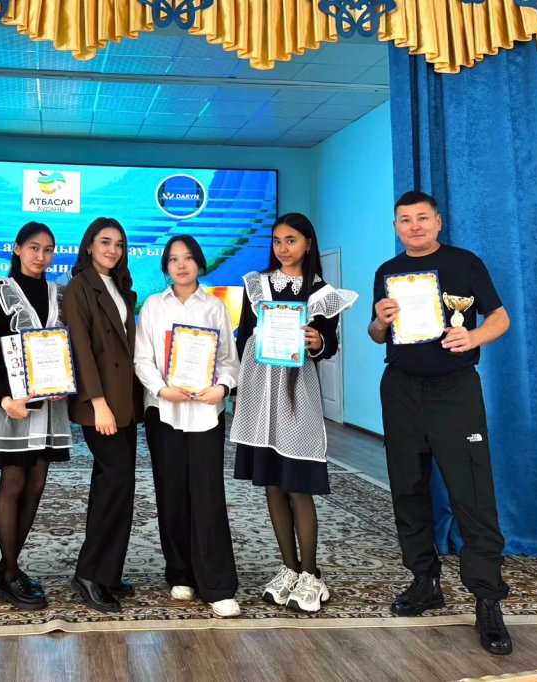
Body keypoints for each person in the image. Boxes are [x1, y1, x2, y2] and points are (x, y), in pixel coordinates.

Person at [369, 190, 512, 656]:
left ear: (438, 222)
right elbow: (377, 335)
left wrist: (474, 336)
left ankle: (487, 600)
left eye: (421, 218)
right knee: (408, 489)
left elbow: (500, 318)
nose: (414, 226)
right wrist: (379, 320)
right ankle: (424, 581)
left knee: (472, 493)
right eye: (404, 219)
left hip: (455, 391)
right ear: (396, 226)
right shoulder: (387, 272)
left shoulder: (465, 263)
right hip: (401, 390)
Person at [230, 213, 357, 614]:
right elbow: (243, 334)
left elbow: (329, 345)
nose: (283, 248)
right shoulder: (256, 284)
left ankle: (310, 574)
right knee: (272, 484)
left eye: (291, 240)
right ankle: (288, 567)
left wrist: (317, 341)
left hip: (297, 395)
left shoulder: (321, 293)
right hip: (260, 394)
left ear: (307, 244)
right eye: (277, 240)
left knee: (298, 485)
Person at [133, 235, 242, 618]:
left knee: (208, 495)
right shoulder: (153, 306)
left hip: (206, 414)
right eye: (174, 259)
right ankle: (179, 572)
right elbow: (142, 358)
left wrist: (222, 387)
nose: (181, 265)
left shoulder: (215, 306)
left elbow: (229, 359)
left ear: (199, 263)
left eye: (188, 258)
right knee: (172, 493)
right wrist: (162, 388)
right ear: (166, 266)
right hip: (164, 411)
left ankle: (218, 585)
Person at [0, 222, 71, 610]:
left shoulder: (59, 292)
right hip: (12, 404)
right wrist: (5, 397)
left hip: (49, 404)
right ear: (17, 248)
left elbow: (66, 345)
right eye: (33, 247)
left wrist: (66, 379)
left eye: (48, 249)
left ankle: (8, 567)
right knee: (13, 482)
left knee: (37, 484)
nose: (41, 256)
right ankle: (9, 575)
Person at [62, 217, 141, 613]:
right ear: (90, 245)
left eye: (119, 244)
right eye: (105, 242)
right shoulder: (79, 286)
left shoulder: (123, 289)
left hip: (126, 400)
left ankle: (106, 571)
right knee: (118, 479)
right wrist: (98, 403)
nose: (113, 249)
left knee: (111, 484)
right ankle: (90, 573)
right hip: (101, 404)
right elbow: (80, 347)